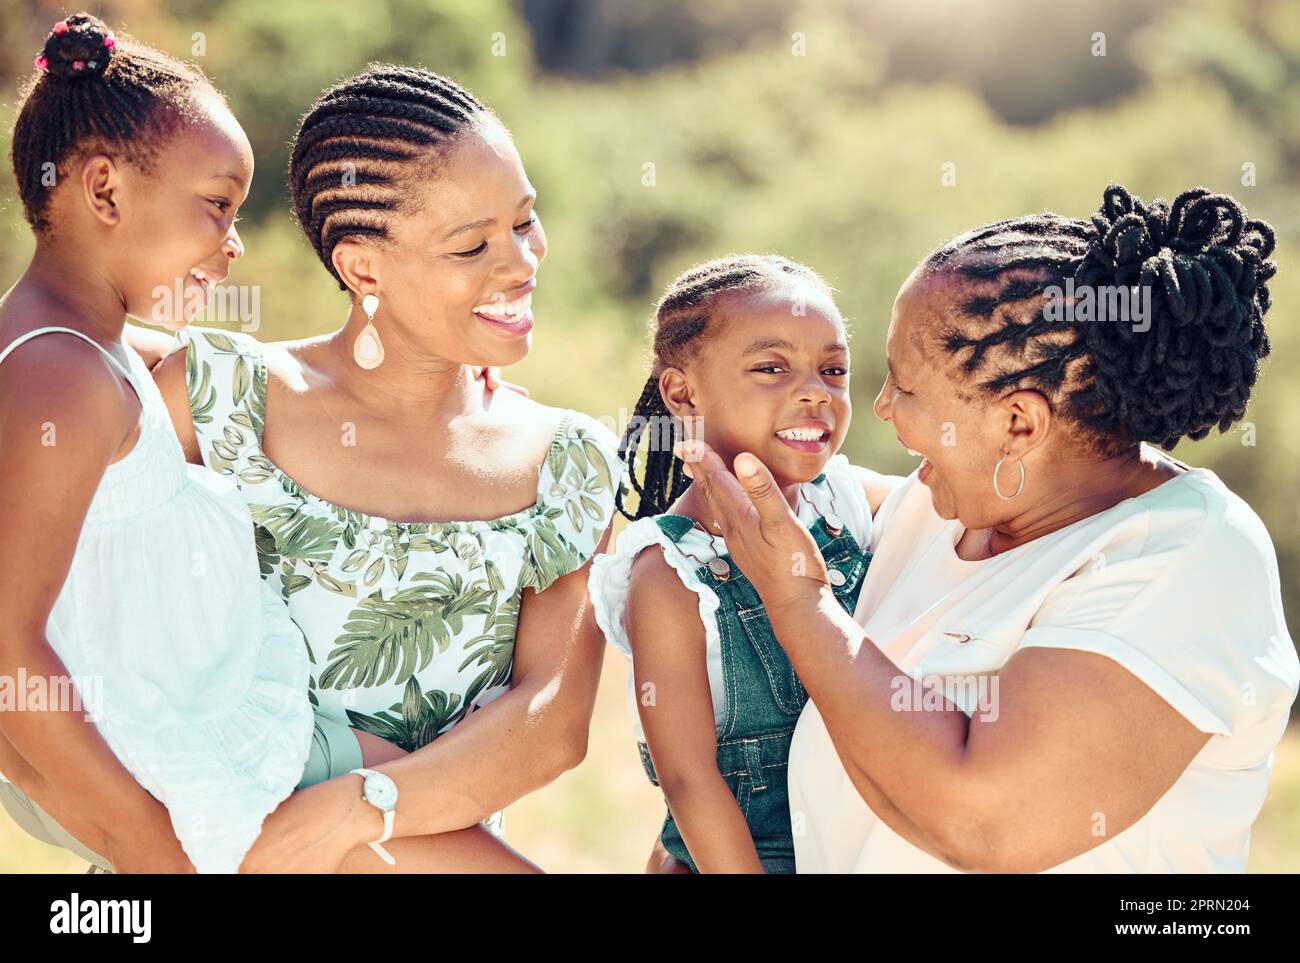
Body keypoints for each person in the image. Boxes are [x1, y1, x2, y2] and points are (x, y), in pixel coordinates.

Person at [675, 185, 1299, 872]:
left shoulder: (1189, 560)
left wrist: (799, 602)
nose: (882, 408)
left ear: (1018, 424)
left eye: (905, 386)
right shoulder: (932, 510)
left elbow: (984, 823)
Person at [140, 64, 624, 872]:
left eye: (525, 221)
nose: (520, 261)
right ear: (364, 270)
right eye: (472, 244)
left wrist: (351, 812)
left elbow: (549, 722)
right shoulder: (216, 401)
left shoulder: (565, 462)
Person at [0, 13, 315, 874]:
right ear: (104, 191)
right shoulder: (60, 375)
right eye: (217, 205)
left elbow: (222, 366)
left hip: (179, 733)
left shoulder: (87, 344)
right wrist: (152, 853)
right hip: (158, 776)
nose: (234, 243)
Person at [590, 254, 893, 872]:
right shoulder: (670, 573)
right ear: (683, 393)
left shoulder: (847, 499)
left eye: (832, 369)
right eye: (771, 367)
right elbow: (689, 780)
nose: (815, 392)